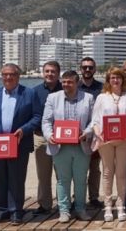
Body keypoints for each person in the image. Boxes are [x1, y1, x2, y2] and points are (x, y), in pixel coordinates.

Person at [0, 63, 42, 225]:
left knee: (16, 177)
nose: (8, 78)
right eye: (5, 75)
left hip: (19, 143)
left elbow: (37, 117)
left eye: (12, 75)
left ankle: (16, 211)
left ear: (18, 76)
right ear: (1, 76)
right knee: (0, 177)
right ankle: (3, 210)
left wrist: (24, 129)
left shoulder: (29, 93)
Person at [42, 70, 95, 223]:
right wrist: (49, 135)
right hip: (60, 146)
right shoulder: (53, 97)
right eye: (64, 81)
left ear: (77, 82)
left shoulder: (88, 98)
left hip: (81, 145)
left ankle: (80, 209)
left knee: (80, 179)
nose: (66, 84)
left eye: (70, 82)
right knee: (62, 180)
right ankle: (64, 211)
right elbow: (46, 121)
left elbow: (94, 120)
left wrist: (87, 132)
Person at [90, 67, 126, 222]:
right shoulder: (101, 97)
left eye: (118, 77)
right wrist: (98, 133)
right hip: (105, 140)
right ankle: (107, 206)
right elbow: (95, 120)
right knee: (107, 173)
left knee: (121, 173)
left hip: (124, 141)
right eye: (112, 77)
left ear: (123, 80)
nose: (115, 80)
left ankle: (120, 206)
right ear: (108, 80)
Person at [32, 60, 62, 214]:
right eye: (47, 71)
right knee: (43, 174)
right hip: (40, 137)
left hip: (61, 139)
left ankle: (63, 204)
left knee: (62, 174)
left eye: (53, 71)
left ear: (58, 74)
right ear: (43, 73)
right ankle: (44, 204)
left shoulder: (65, 89)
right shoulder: (35, 91)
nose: (50, 74)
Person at [78, 57, 105, 209]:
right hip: (79, 135)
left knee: (95, 169)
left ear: (94, 69)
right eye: (84, 67)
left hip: (96, 135)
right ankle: (78, 197)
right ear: (80, 69)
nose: (87, 70)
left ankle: (94, 197)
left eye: (90, 67)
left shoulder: (101, 88)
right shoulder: (76, 86)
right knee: (79, 168)